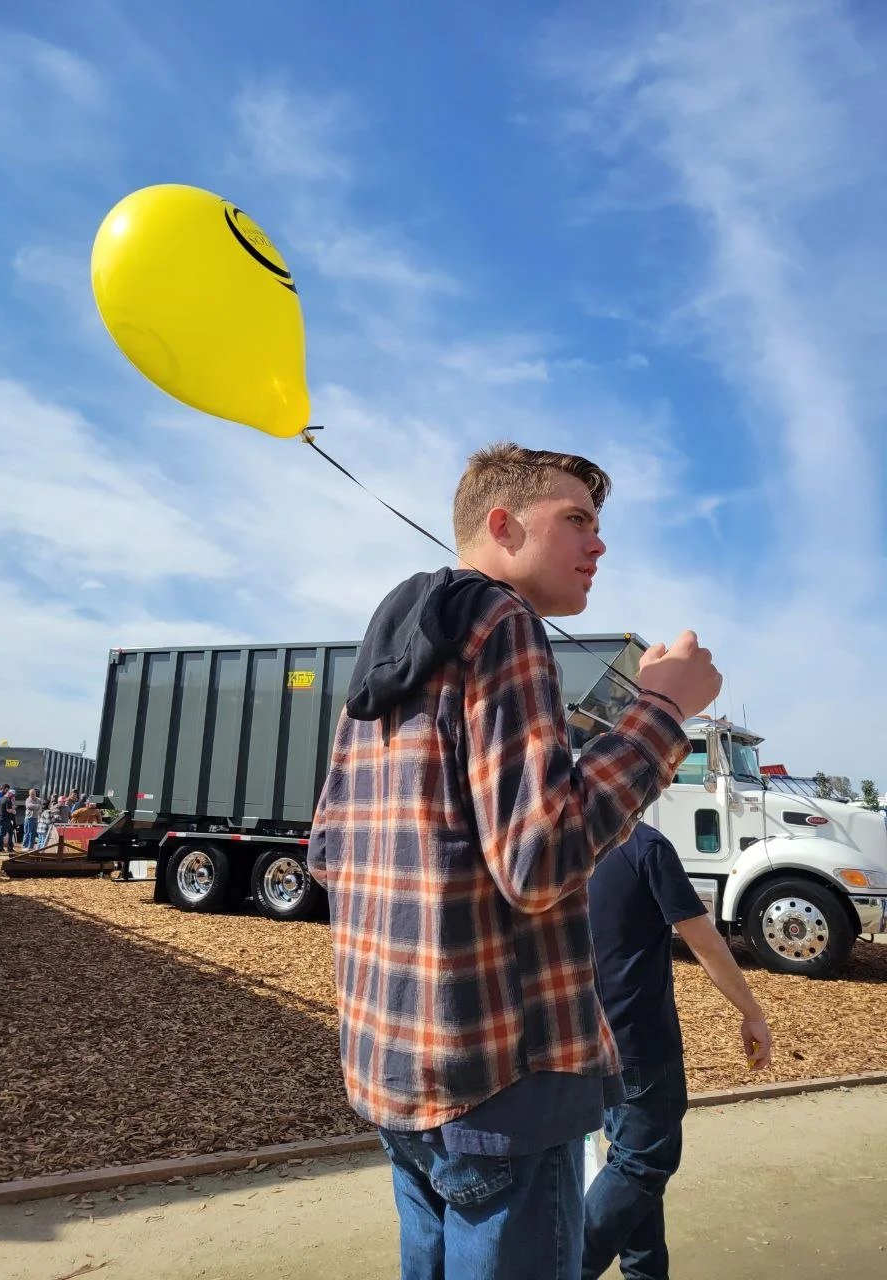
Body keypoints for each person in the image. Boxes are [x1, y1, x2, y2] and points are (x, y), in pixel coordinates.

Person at [309, 442, 722, 1280]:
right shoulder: (505, 624)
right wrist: (663, 710)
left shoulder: (388, 659)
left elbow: (327, 850)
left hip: (394, 1072)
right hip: (502, 1086)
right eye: (577, 519)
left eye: (599, 525)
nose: (598, 544)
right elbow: (538, 857)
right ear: (502, 525)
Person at [583, 823, 773, 1280]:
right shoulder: (644, 845)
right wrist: (752, 1012)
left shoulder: (564, 840)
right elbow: (703, 941)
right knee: (644, 1163)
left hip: (581, 1040)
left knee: (631, 1167)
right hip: (639, 1041)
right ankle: (565, 1265)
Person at [1, 788, 17, 852]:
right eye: (12, 796)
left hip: (10, 819)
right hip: (8, 819)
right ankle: (7, 847)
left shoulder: (8, 800)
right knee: (4, 833)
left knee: (10, 833)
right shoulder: (8, 800)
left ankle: (10, 847)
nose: (13, 797)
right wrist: (13, 810)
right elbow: (8, 810)